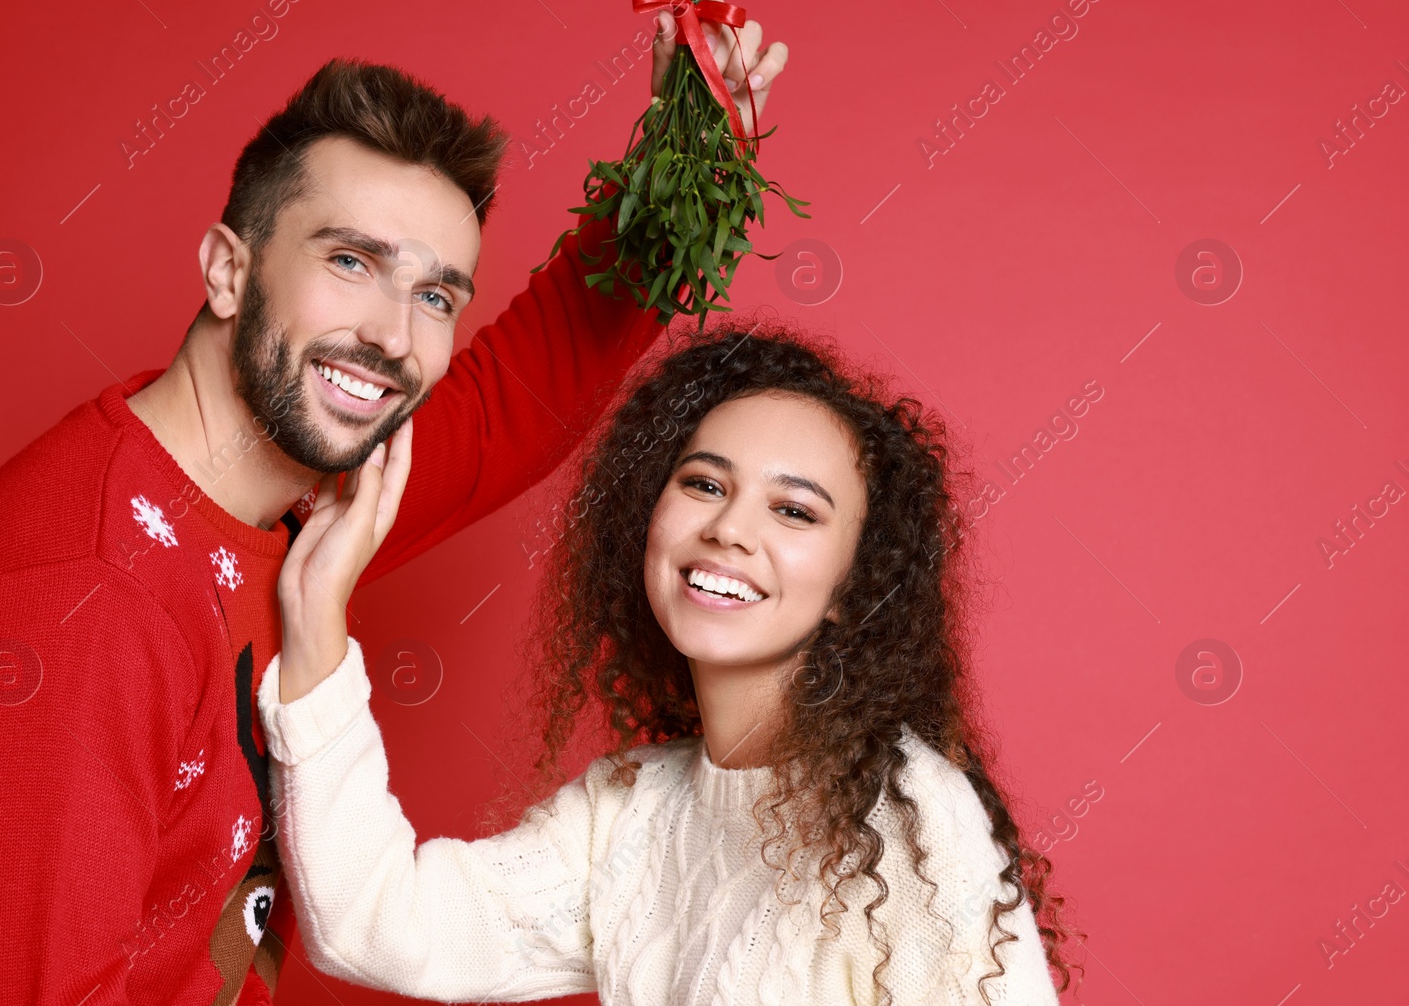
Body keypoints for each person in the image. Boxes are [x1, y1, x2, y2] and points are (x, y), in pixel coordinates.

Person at [0, 4, 791, 1003]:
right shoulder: (78, 609)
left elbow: (514, 406)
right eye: (351, 262)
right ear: (228, 268)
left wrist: (690, 169)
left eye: (437, 295)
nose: (391, 335)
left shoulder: (293, 488)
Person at [262, 324, 1083, 1005]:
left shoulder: (904, 817)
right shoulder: (628, 814)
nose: (730, 529)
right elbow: (377, 922)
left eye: (794, 509)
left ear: (851, 584)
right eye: (702, 483)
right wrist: (316, 621)